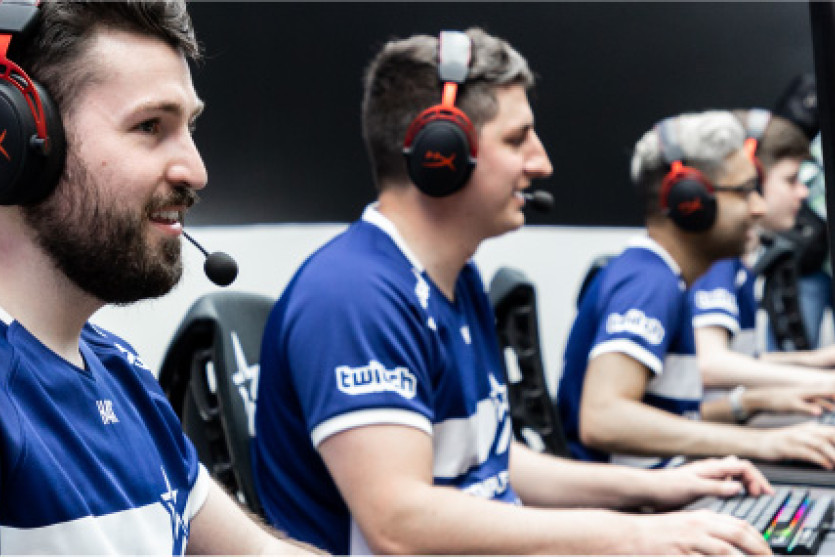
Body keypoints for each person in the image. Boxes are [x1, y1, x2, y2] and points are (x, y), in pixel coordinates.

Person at [253, 29, 774, 556]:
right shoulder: (354, 296)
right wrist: (631, 533)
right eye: (517, 139)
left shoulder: (456, 281)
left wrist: (654, 490)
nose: (542, 163)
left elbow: (494, 463)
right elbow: (401, 525)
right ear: (441, 151)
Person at [0, 2, 318, 554]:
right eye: (151, 126)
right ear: (17, 139)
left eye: (188, 126)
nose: (196, 171)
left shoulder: (122, 374)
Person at [556, 110, 835, 469]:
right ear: (690, 202)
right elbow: (603, 419)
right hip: (636, 513)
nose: (758, 206)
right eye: (745, 192)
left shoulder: (671, 279)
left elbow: (675, 417)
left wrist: (750, 404)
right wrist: (765, 442)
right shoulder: (648, 282)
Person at [691, 110, 835, 414]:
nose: (803, 192)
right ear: (753, 183)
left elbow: (739, 359)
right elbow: (709, 364)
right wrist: (818, 381)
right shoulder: (716, 259)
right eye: (791, 180)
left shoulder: (740, 263)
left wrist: (815, 361)